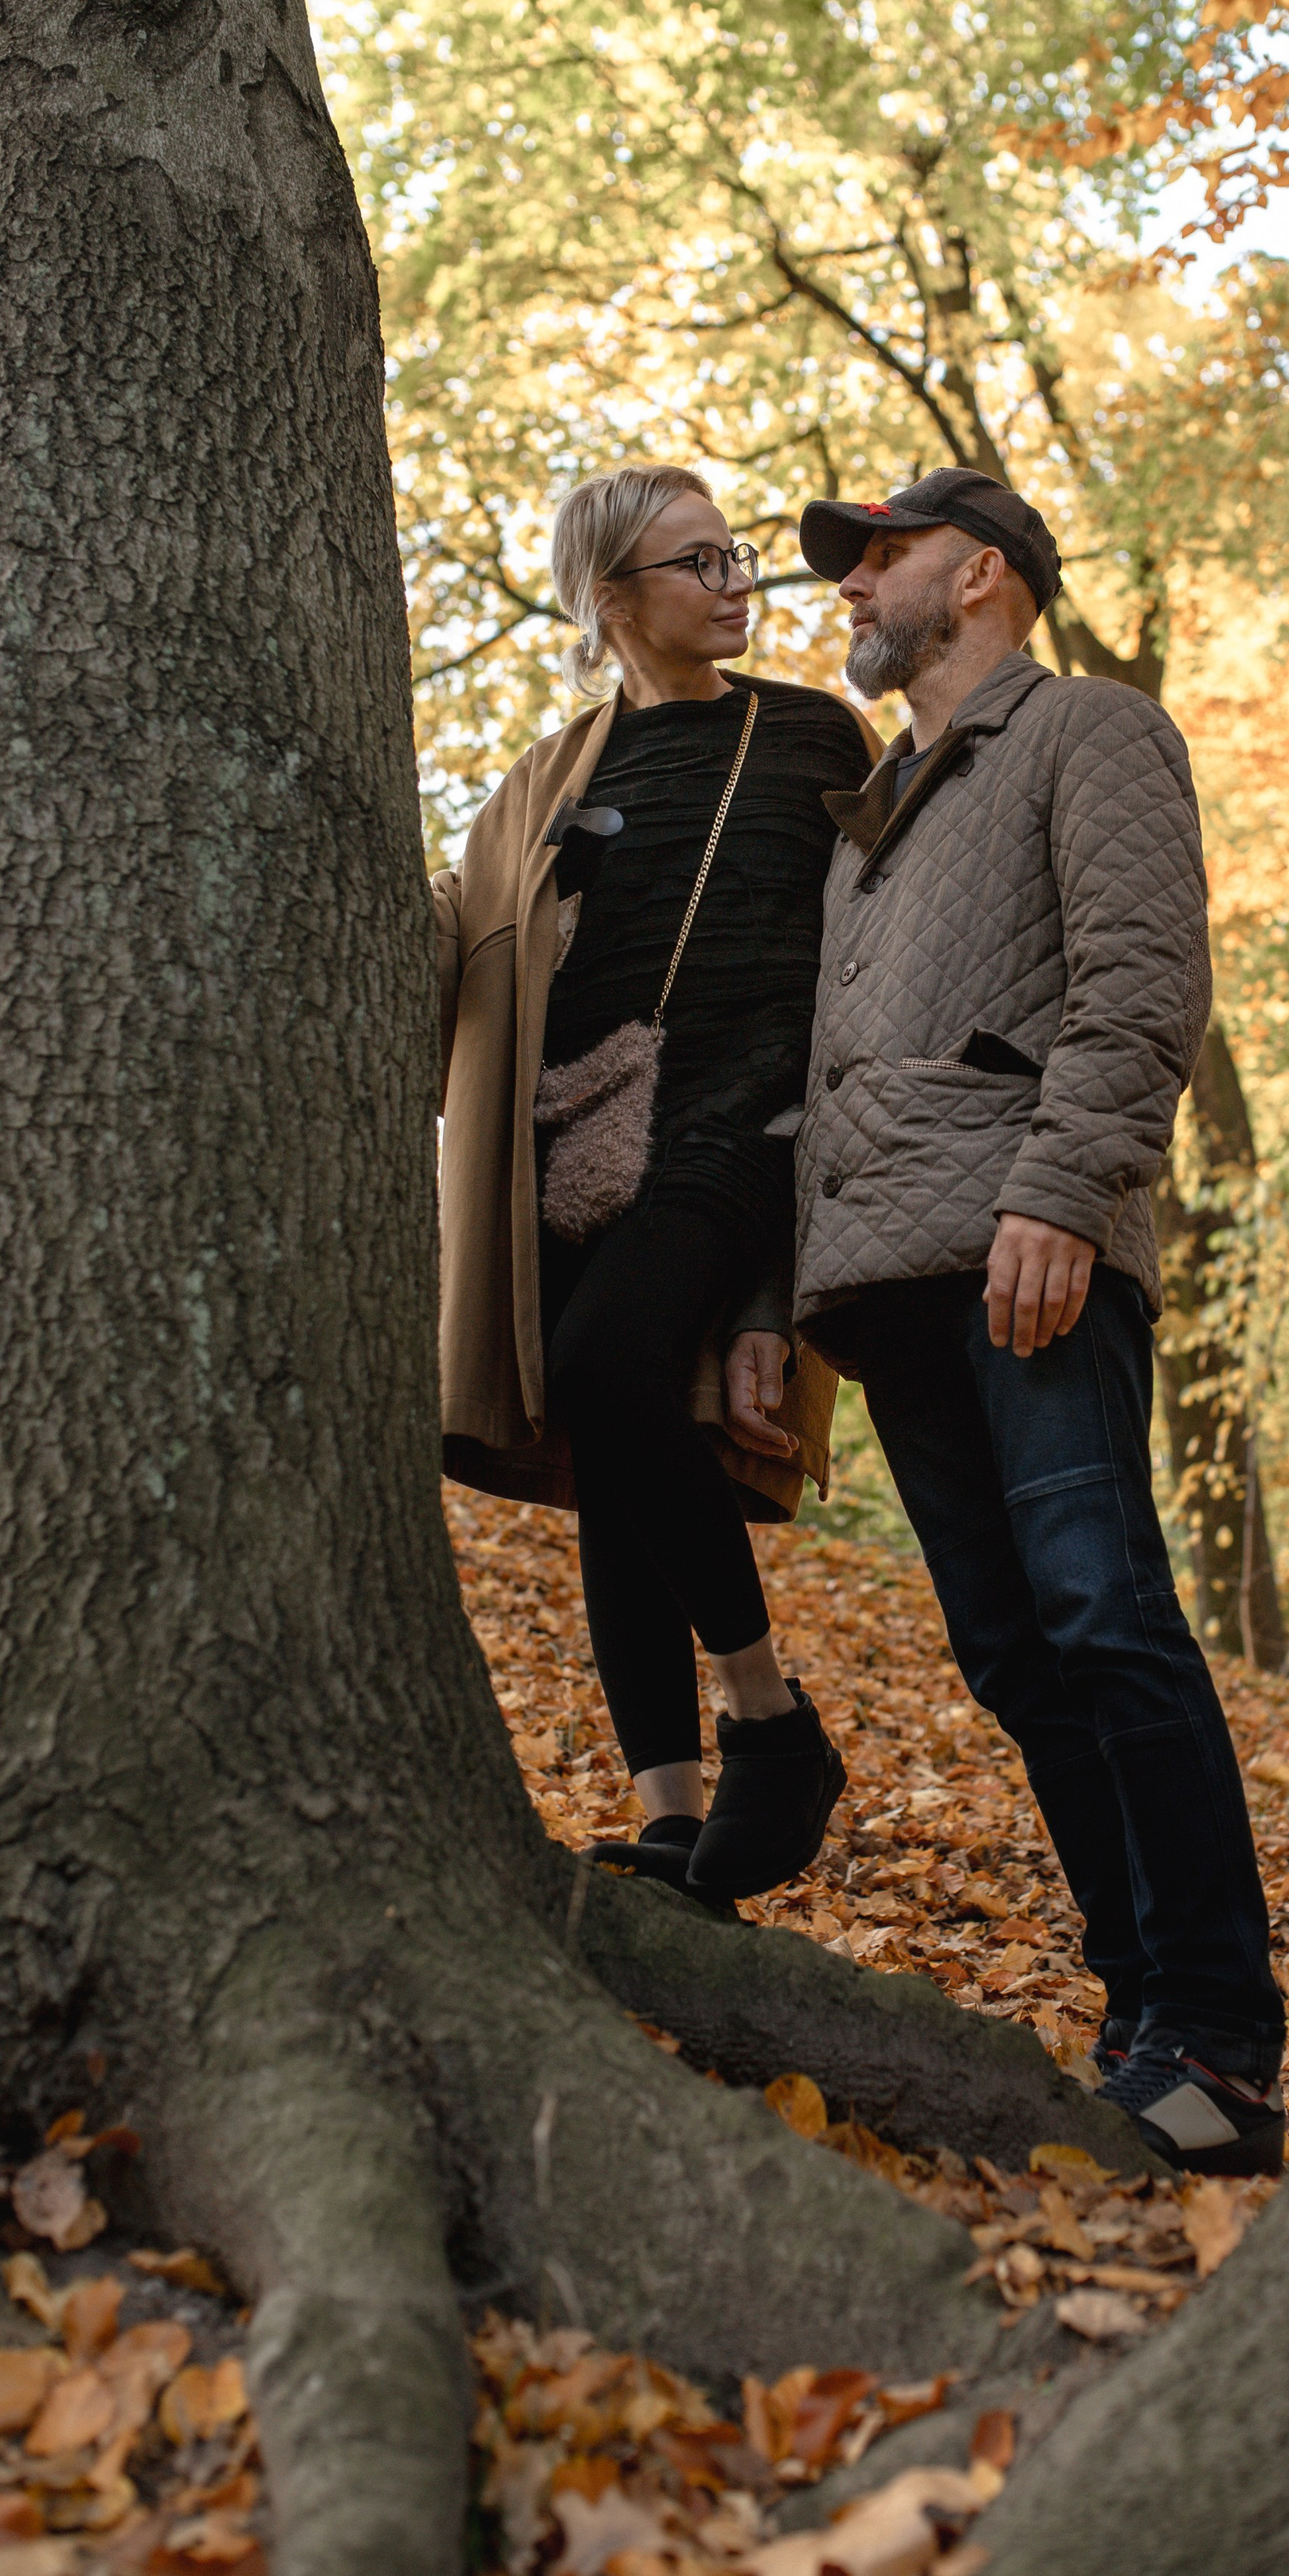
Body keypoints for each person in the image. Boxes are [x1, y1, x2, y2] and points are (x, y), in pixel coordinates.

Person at [789, 466, 1287, 2173]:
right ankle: (1139, 2013)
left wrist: (1060, 1195)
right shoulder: (872, 818)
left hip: (1025, 1249)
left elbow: (1138, 979)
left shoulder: (1091, 734)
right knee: (1009, 1653)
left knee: (1100, 1614)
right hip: (887, 1275)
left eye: (881, 558)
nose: (851, 587)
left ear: (981, 577)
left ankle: (1220, 2044)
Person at [431, 465, 872, 1904]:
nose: (740, 580)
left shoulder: (815, 735)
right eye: (701, 561)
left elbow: (858, 977)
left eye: (738, 553)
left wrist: (771, 1295)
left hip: (745, 1132)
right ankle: (673, 1818)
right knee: (608, 1452)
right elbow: (454, 943)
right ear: (613, 597)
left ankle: (768, 1719)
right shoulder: (551, 780)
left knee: (611, 1368)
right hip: (569, 1150)